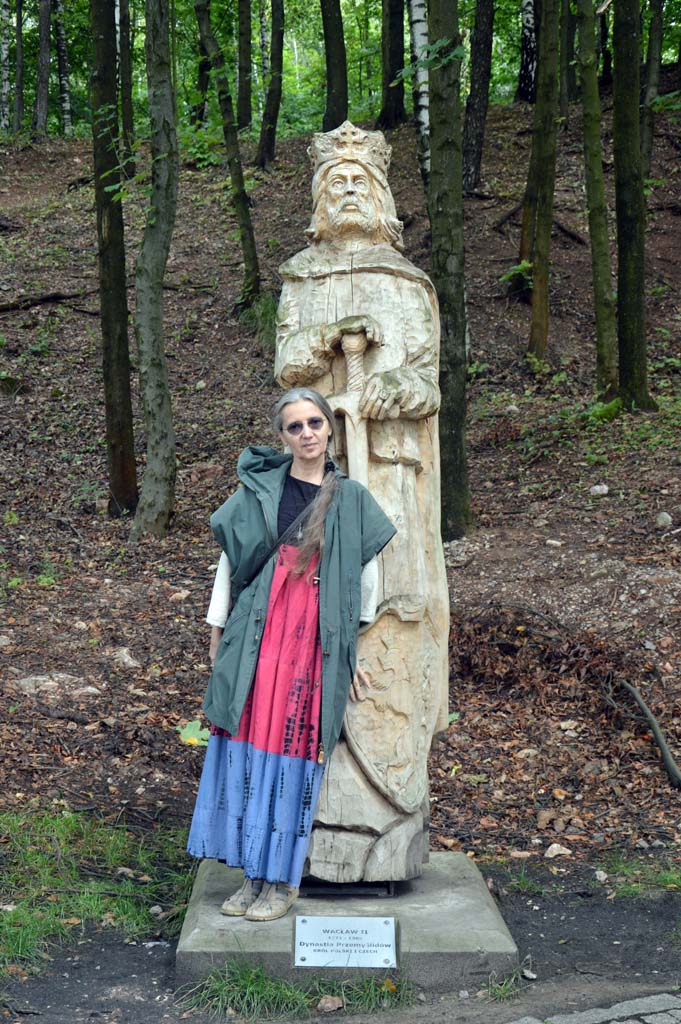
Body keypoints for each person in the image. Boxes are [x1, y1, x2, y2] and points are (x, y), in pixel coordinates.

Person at [187, 387, 395, 922]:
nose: (307, 434)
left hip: (312, 641)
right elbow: (230, 564)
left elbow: (368, 579)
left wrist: (350, 648)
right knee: (247, 741)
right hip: (258, 631)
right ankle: (250, 873)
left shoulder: (352, 499)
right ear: (282, 436)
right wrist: (217, 632)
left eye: (314, 423)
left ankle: (280, 881)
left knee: (292, 750)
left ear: (329, 428)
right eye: (295, 426)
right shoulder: (261, 489)